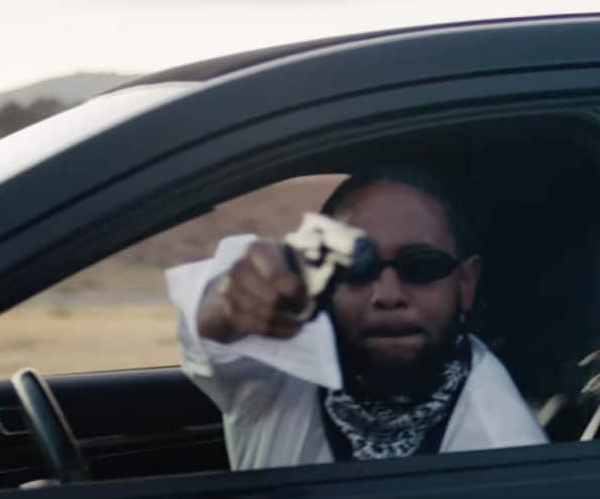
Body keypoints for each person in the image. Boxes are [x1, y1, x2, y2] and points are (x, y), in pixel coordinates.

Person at [166, 163, 547, 470]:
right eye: (356, 267)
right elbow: (212, 327)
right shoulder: (281, 362)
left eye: (421, 266)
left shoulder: (503, 449)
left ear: (465, 283)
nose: (388, 295)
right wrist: (234, 297)